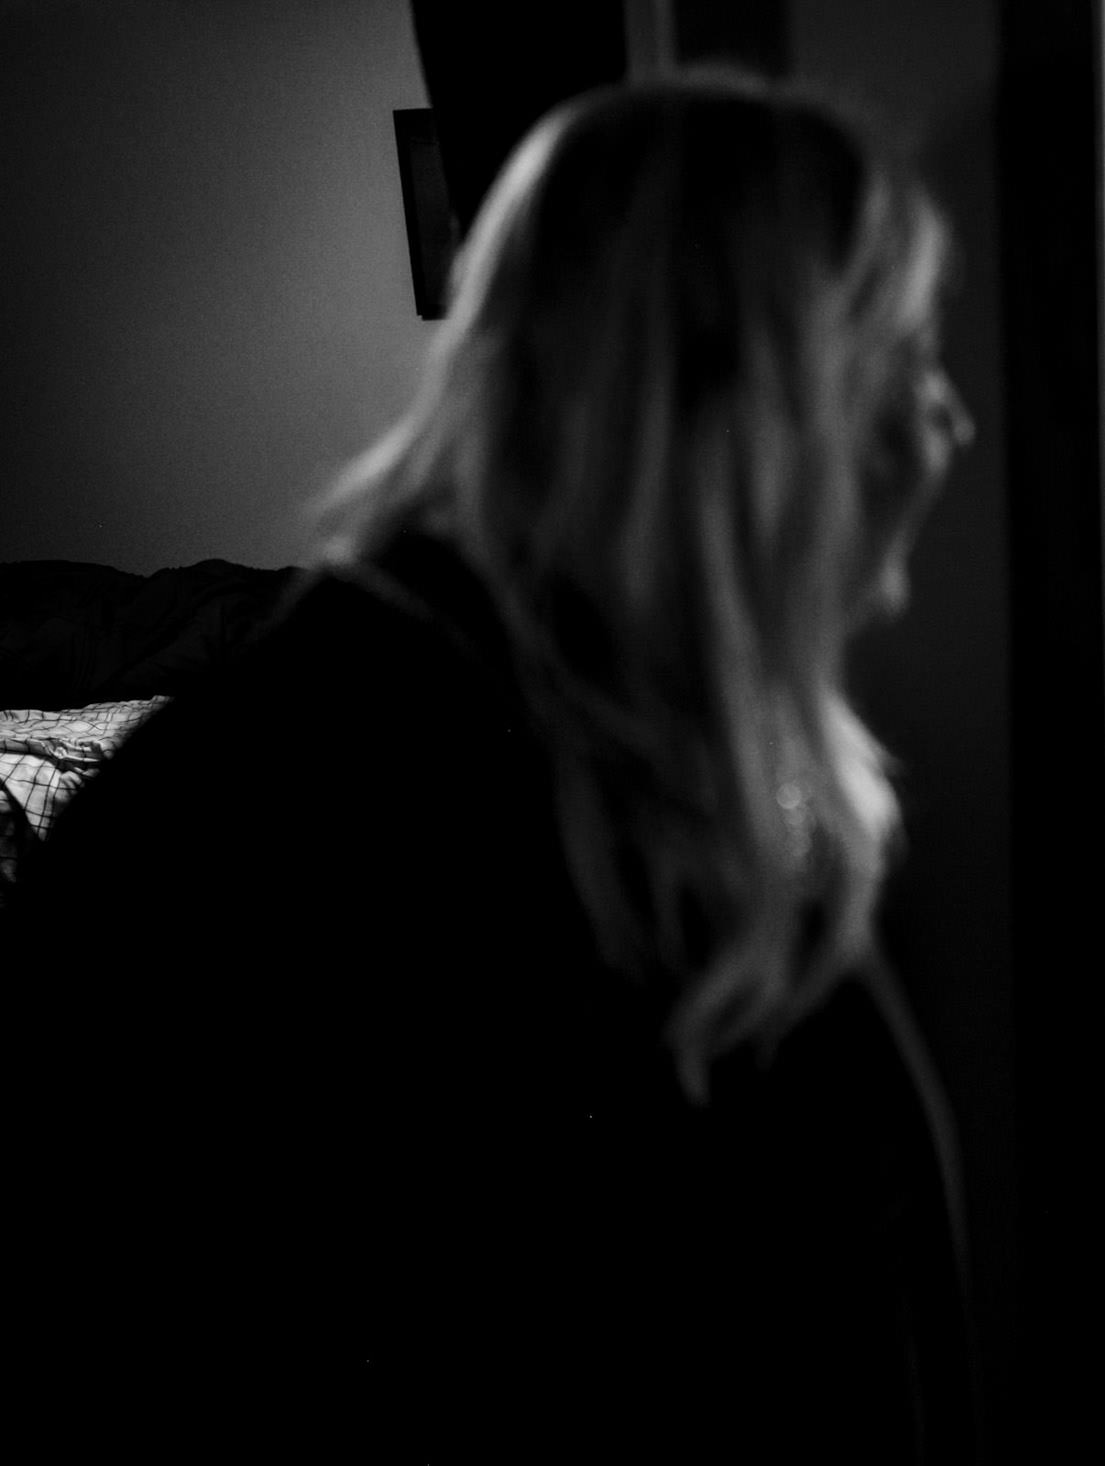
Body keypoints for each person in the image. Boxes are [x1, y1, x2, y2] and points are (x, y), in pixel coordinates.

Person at [11, 73, 979, 1461]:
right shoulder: (334, 806)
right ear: (733, 402)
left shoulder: (640, 736)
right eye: (899, 359)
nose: (946, 423)